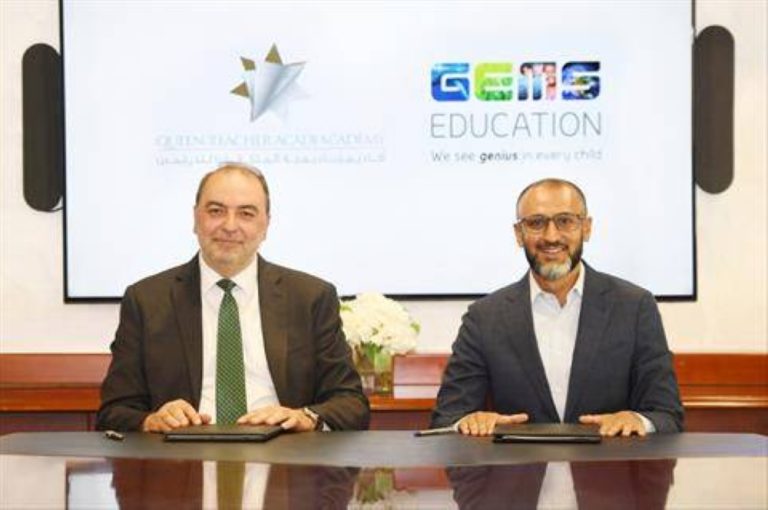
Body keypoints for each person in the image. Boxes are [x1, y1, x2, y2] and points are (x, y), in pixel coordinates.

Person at [97, 163, 369, 432]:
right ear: (195, 218)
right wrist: (151, 420)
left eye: (246, 214)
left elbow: (351, 404)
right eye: (216, 211)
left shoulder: (310, 298)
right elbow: (114, 412)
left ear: (266, 224)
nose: (229, 226)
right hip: (182, 452)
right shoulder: (147, 300)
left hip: (283, 450)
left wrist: (305, 417)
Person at [431, 178, 683, 436]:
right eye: (536, 223)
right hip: (515, 463)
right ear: (519, 234)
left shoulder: (634, 307)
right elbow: (446, 418)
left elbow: (667, 415)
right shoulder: (484, 318)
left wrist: (637, 420)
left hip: (609, 461)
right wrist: (470, 422)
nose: (551, 236)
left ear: (586, 228)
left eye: (565, 221)